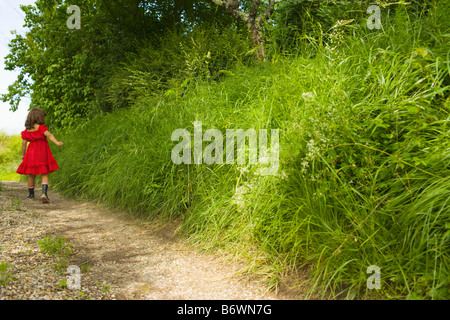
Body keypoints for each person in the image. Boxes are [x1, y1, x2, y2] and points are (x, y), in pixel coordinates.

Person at [16, 108, 64, 203]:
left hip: (31, 154)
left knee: (31, 175)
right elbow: (49, 135)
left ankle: (30, 195)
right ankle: (44, 194)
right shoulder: (41, 128)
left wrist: (23, 155)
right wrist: (57, 142)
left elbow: (24, 144)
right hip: (42, 153)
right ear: (40, 117)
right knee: (44, 173)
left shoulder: (27, 131)